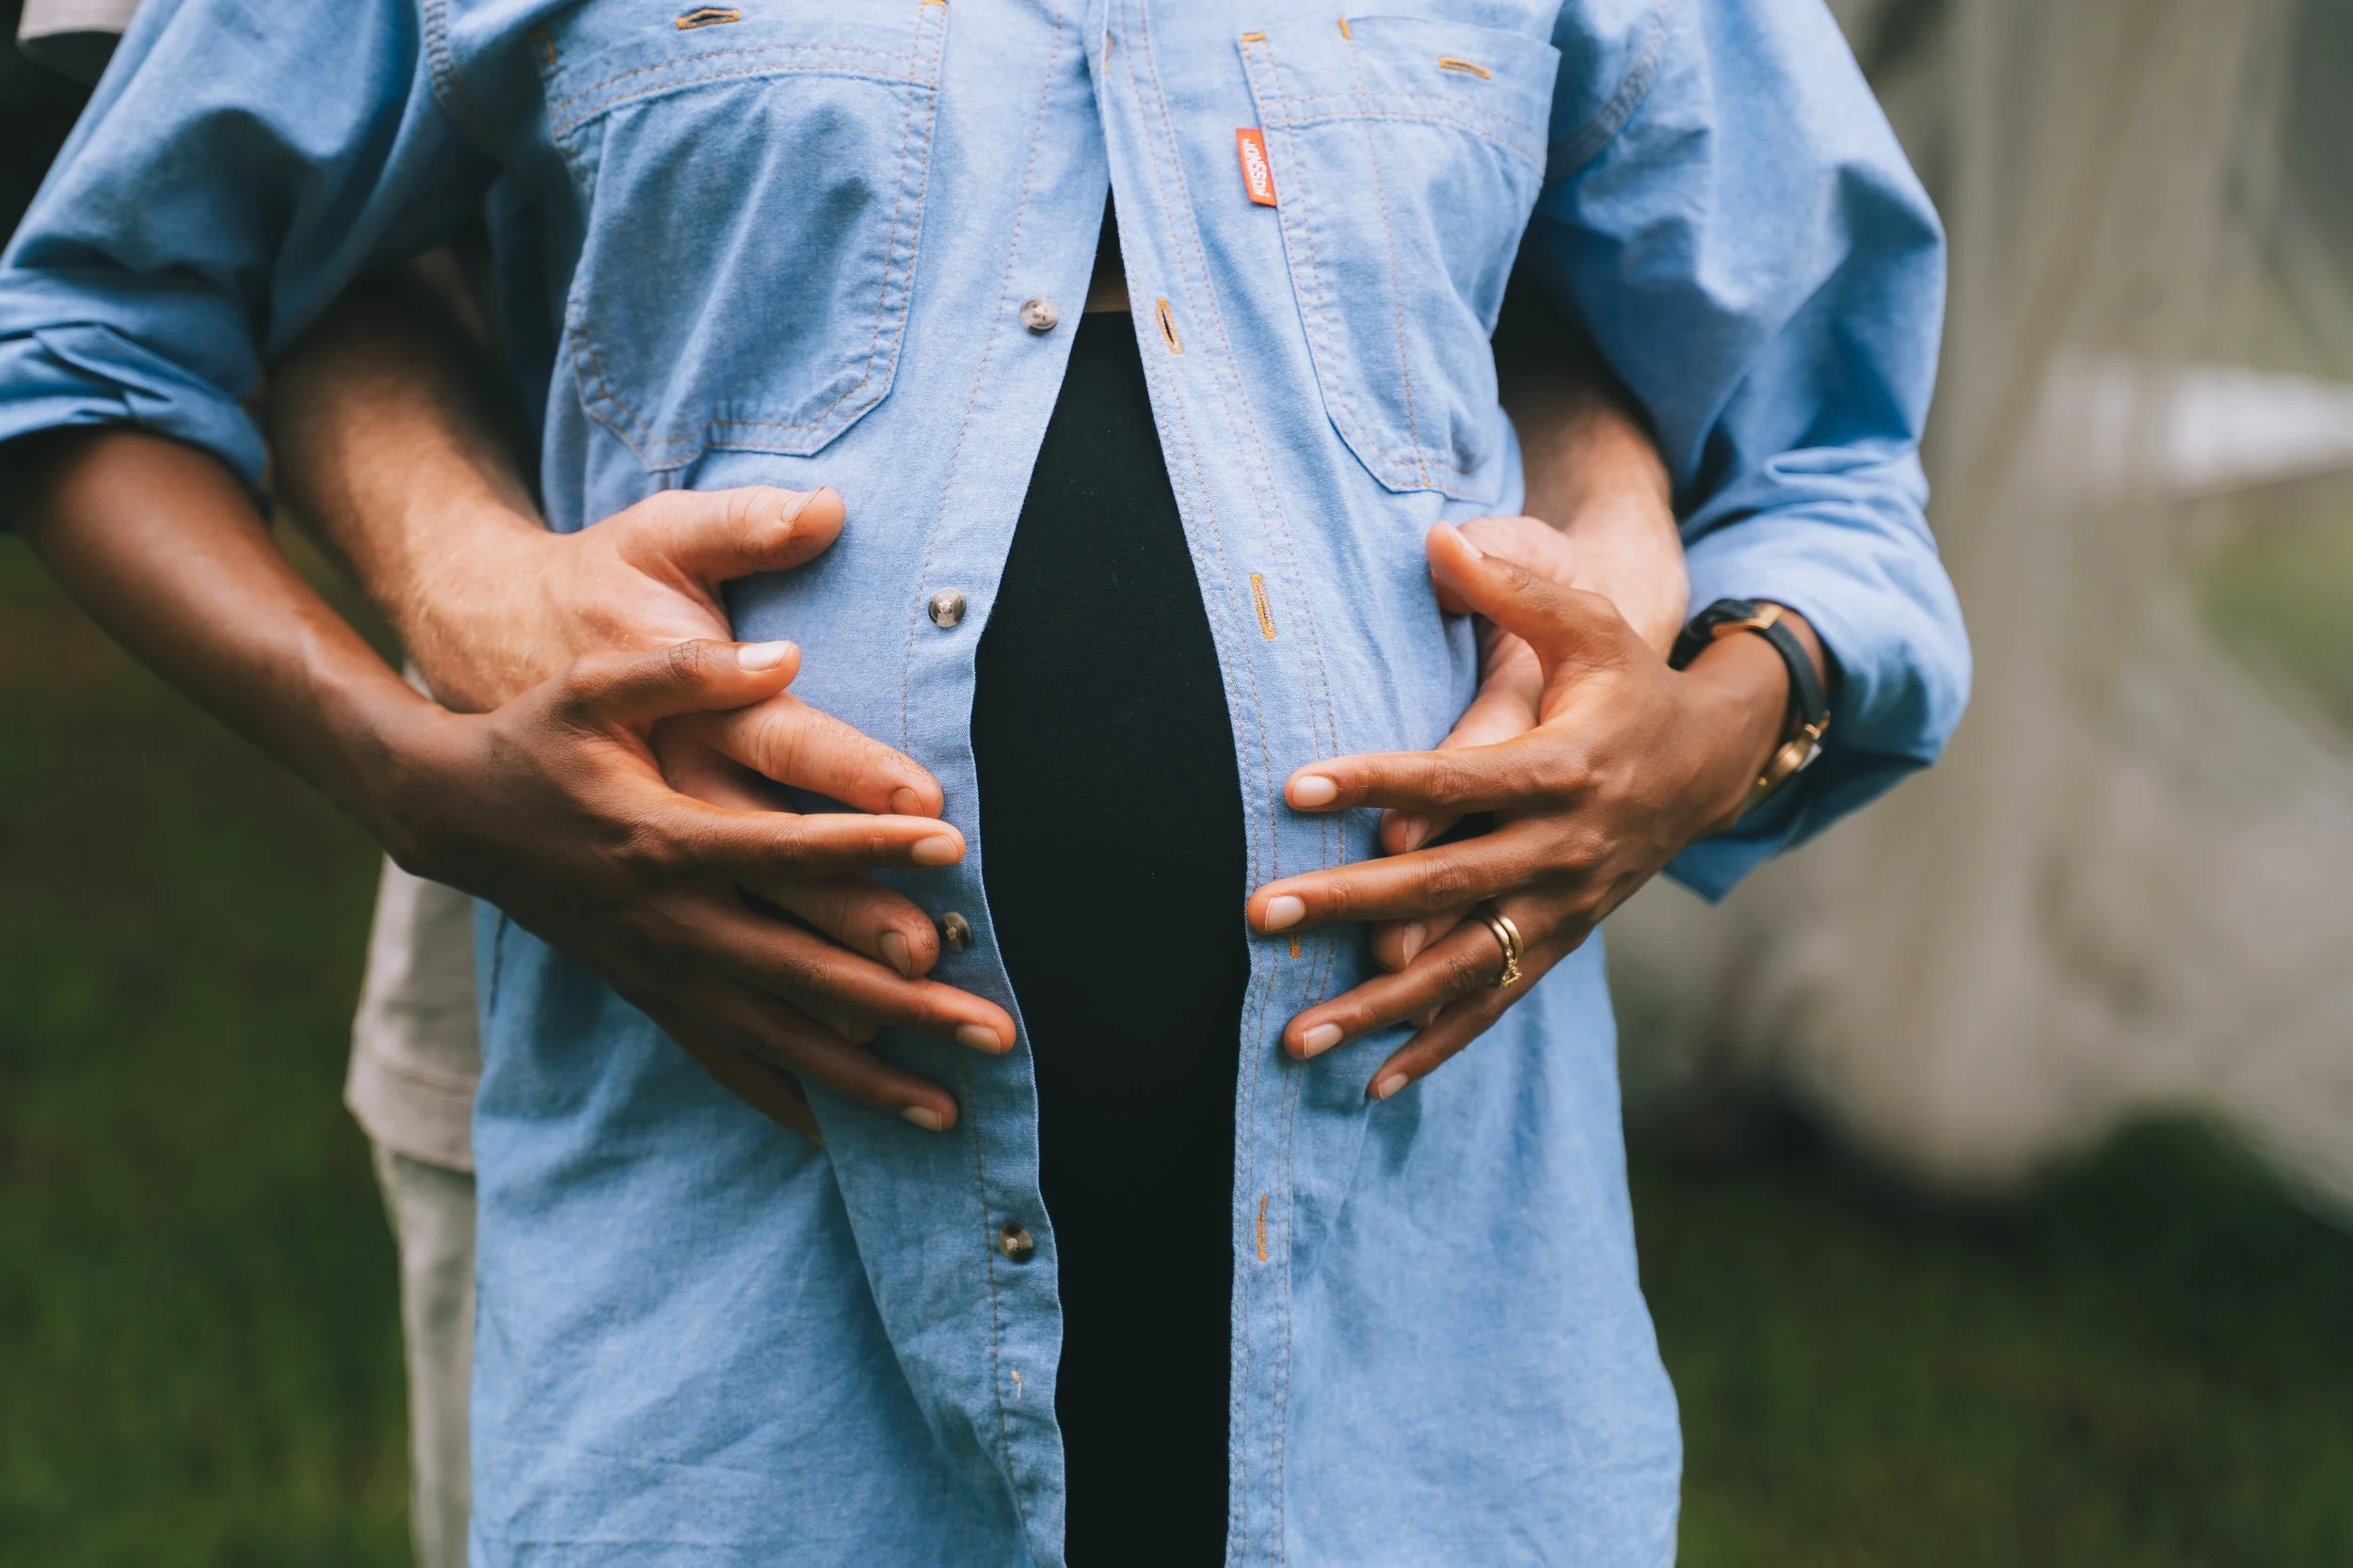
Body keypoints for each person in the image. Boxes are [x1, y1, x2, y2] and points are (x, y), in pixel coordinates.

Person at [0, 3, 1967, 1564]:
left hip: (1420, 1331)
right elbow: (88, 327)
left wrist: (1718, 725)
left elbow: (1818, 449)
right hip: (751, 1332)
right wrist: (415, 771)